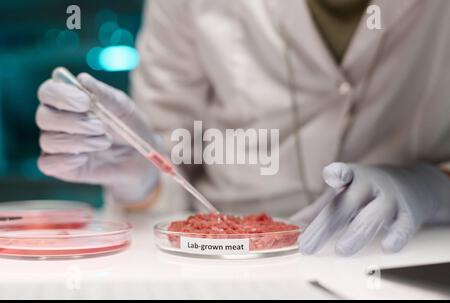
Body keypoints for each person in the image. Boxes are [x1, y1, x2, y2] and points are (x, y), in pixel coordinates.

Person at [35, 0, 450, 256]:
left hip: (412, 250)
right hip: (221, 267)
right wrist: (142, 180)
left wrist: (435, 187)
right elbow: (170, 164)